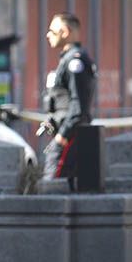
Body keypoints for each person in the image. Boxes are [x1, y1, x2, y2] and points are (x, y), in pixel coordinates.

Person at [41, 12, 97, 189]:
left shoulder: (75, 61)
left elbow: (78, 106)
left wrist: (61, 137)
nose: (48, 35)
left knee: (53, 188)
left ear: (64, 32)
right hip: (67, 135)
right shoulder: (66, 60)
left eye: (52, 30)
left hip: (70, 137)